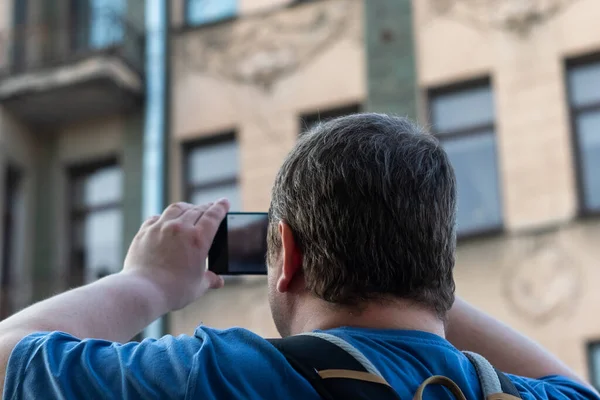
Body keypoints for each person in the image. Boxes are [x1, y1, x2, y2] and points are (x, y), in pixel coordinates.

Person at [0, 114, 597, 399]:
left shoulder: (231, 378)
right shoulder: (515, 395)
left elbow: (7, 360)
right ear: (437, 261)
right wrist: (409, 260)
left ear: (285, 254)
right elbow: (572, 387)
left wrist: (147, 283)